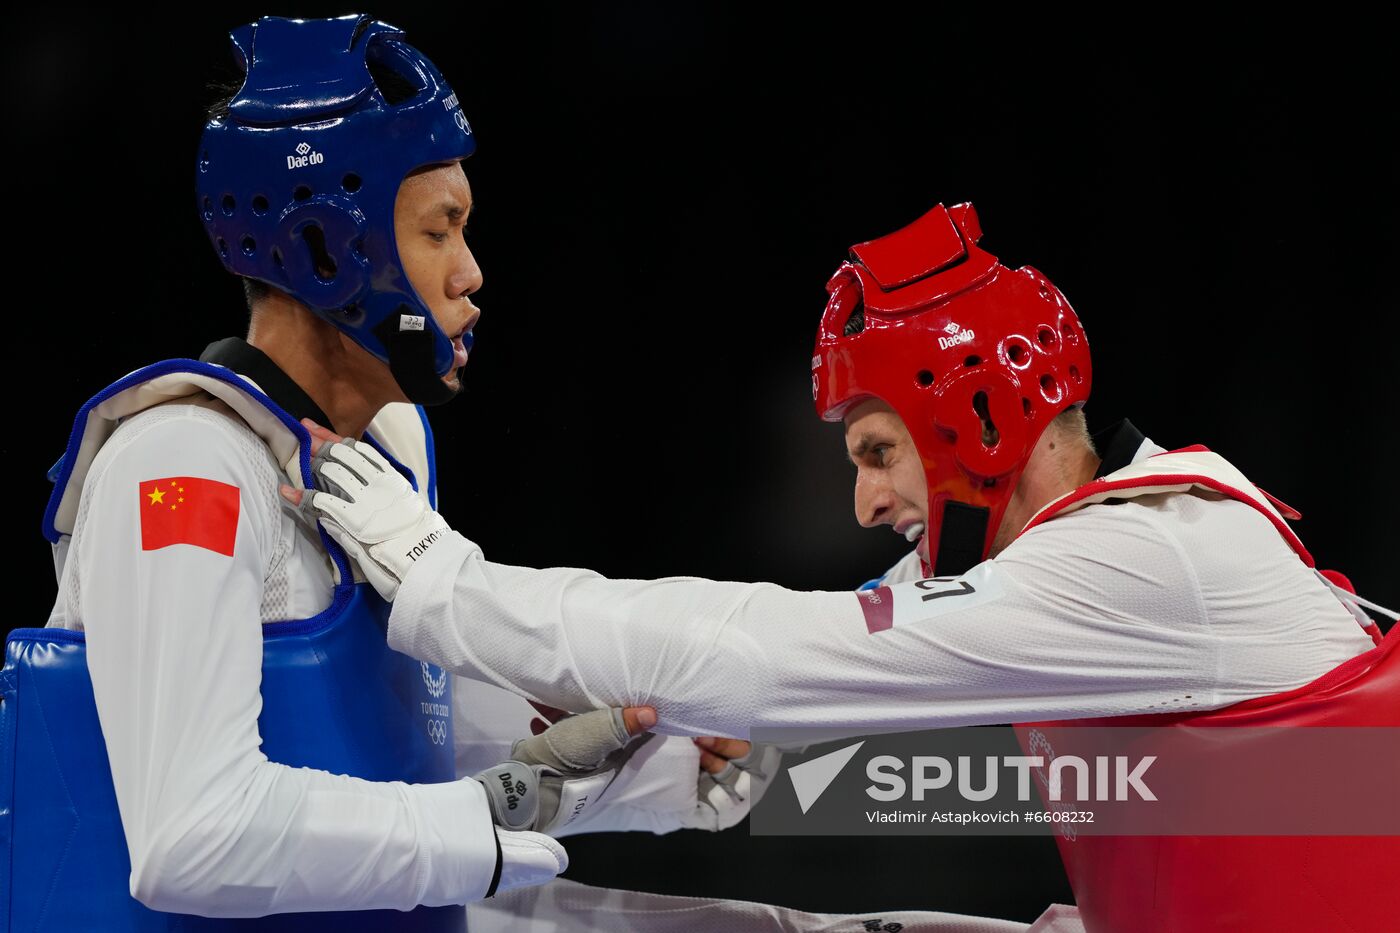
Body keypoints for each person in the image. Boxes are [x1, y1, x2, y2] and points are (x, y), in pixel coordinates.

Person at [293, 201, 1399, 931]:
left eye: (876, 453)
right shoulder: (1098, 537)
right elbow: (777, 680)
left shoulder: (1143, 560)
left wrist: (447, 585)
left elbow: (770, 659)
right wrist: (669, 760)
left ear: (974, 422)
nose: (866, 500)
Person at [6, 13, 760, 930]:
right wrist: (483, 817)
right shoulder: (180, 464)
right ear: (328, 250)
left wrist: (658, 765)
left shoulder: (384, 447)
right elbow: (194, 834)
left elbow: (396, 745)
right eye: (440, 233)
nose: (471, 274)